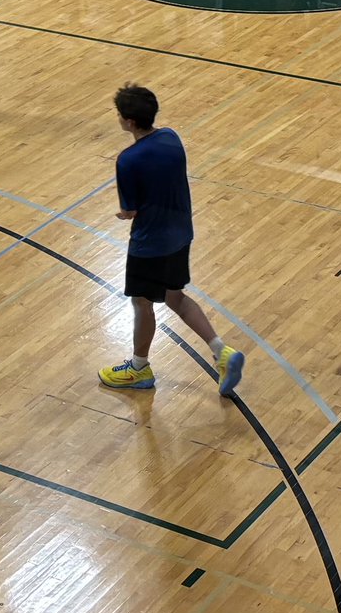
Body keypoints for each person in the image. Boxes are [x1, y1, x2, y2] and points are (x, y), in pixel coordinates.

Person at [98, 84, 245, 397]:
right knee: (176, 297)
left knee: (141, 303)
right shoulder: (171, 137)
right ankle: (222, 352)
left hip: (149, 243)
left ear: (129, 122)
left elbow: (131, 209)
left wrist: (124, 216)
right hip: (180, 234)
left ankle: (139, 368)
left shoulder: (128, 160)